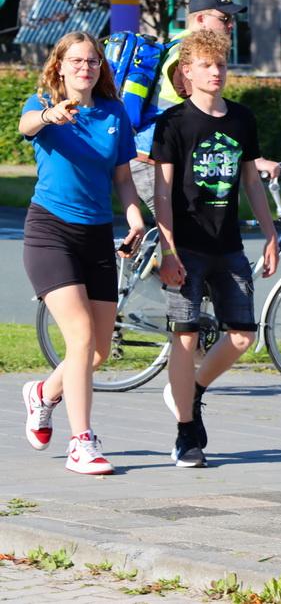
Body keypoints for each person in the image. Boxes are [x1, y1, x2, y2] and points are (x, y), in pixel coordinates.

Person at [152, 30, 279, 468]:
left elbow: (251, 181)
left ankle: (193, 390)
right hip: (185, 245)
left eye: (221, 64)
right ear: (187, 72)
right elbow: (162, 192)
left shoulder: (242, 118)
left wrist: (270, 234)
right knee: (185, 336)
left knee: (242, 335)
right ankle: (186, 430)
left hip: (228, 245)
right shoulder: (173, 123)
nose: (216, 72)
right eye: (206, 65)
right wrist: (167, 249)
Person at [20, 31, 145, 475]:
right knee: (80, 337)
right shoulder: (42, 104)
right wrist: (49, 115)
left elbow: (123, 179)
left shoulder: (113, 112)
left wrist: (135, 217)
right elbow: (26, 126)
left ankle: (43, 394)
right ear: (59, 66)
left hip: (96, 236)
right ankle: (82, 443)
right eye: (75, 60)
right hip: (49, 232)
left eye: (92, 61)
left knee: (98, 351)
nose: (85, 68)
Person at [131, 0, 281, 218]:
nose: (231, 25)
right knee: (190, 224)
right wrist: (255, 159)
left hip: (158, 154)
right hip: (153, 159)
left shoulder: (178, 45)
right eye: (224, 18)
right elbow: (207, 116)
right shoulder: (185, 55)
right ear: (201, 19)